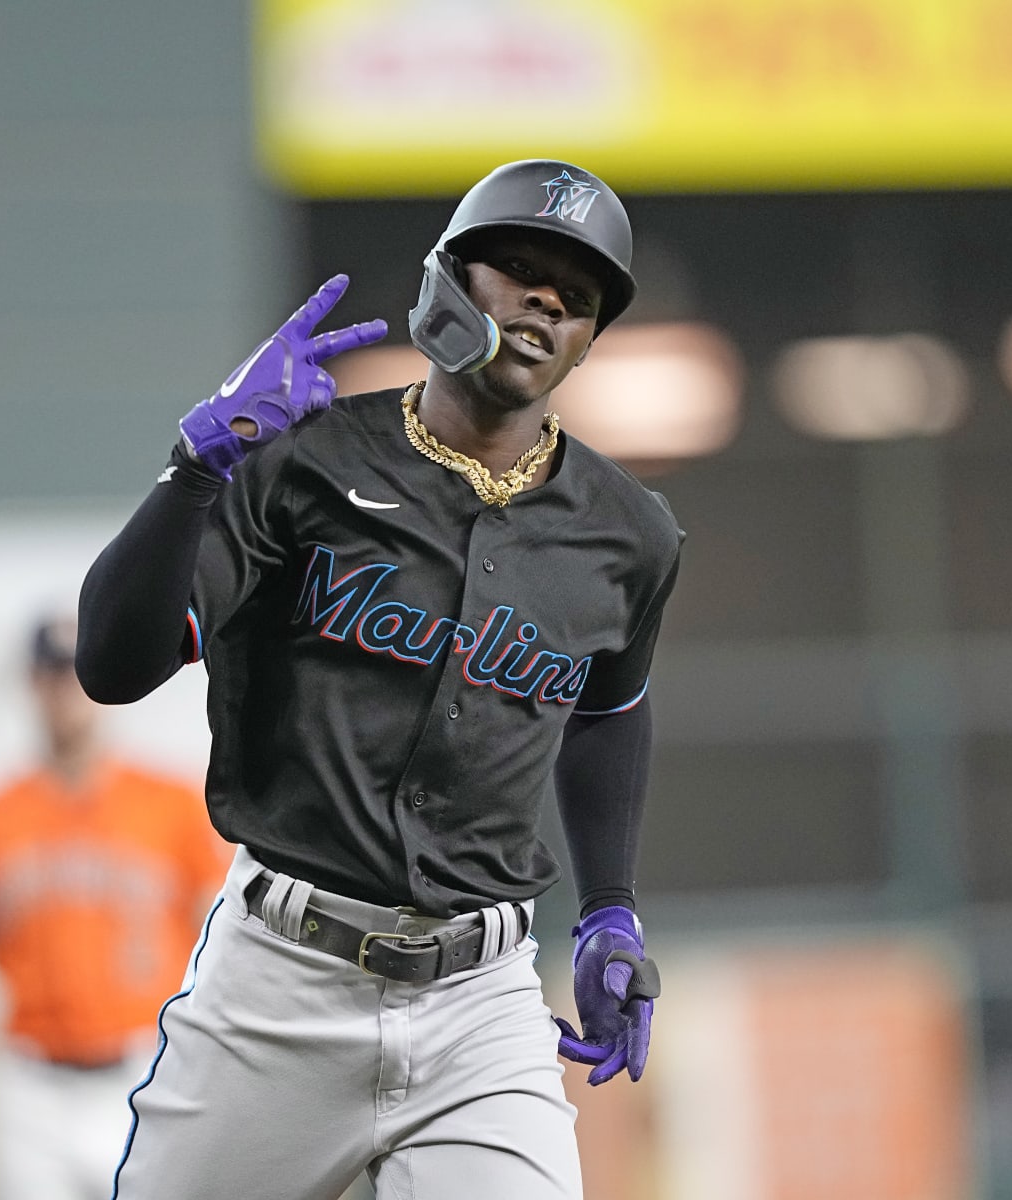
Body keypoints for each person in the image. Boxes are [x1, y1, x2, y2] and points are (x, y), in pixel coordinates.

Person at [77, 158, 681, 1200]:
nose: (545, 300)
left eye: (575, 296)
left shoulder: (628, 533)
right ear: (448, 284)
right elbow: (113, 666)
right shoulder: (302, 463)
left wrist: (610, 909)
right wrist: (195, 471)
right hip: (281, 982)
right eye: (520, 268)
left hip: (483, 1003)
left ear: (588, 340)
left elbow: (608, 713)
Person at [0, 615, 229, 1200]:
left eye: (76, 672)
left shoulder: (175, 807)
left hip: (143, 1071)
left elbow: (224, 949)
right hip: (29, 1090)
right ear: (31, 684)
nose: (66, 689)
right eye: (52, 673)